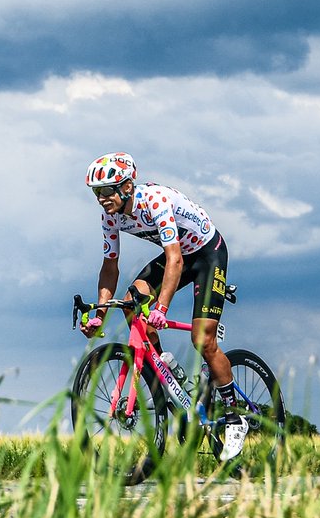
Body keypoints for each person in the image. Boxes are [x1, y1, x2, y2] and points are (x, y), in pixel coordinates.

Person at [79, 152, 247, 461]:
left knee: (203, 341)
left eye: (106, 190)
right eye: (95, 192)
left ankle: (235, 418)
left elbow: (175, 259)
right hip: (179, 256)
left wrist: (162, 309)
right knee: (132, 303)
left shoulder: (154, 201)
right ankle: (164, 365)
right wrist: (99, 313)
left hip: (207, 253)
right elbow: (110, 267)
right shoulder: (110, 217)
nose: (101, 198)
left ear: (127, 187)